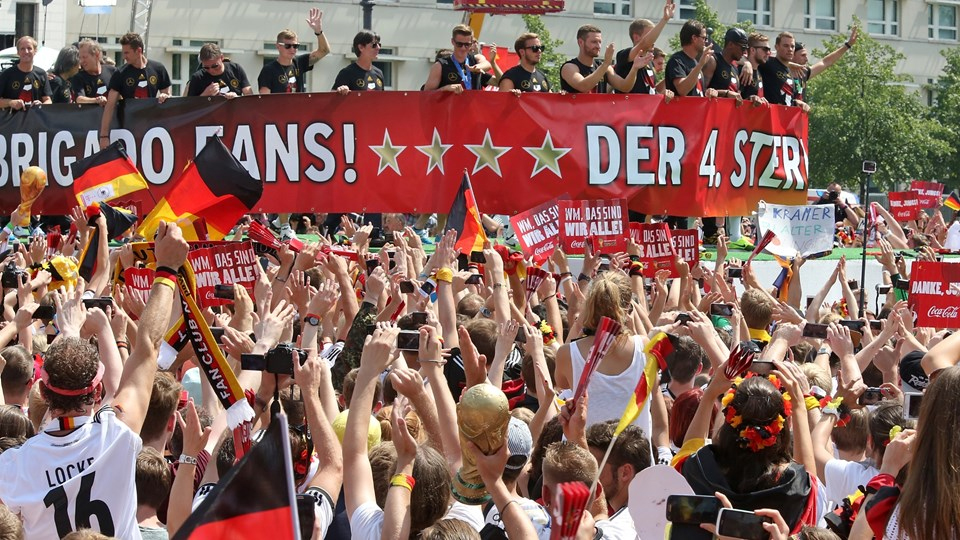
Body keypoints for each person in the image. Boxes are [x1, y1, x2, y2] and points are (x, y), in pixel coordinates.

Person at [0, 221, 188, 539]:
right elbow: (148, 347)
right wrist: (167, 269)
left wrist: (65, 333)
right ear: (98, 390)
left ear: (42, 390)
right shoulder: (119, 434)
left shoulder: (12, 467)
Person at [98, 32, 173, 148]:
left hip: (152, 129)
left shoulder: (158, 68)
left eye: (127, 53)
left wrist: (165, 96)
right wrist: (104, 136)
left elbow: (167, 94)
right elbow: (110, 105)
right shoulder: (120, 73)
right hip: (128, 129)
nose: (124, 57)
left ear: (138, 51)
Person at [257, 8, 329, 94]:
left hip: (299, 107)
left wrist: (318, 32)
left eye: (295, 46)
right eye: (287, 46)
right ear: (278, 46)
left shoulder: (299, 62)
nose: (292, 49)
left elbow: (324, 51)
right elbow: (265, 100)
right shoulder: (268, 70)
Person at [560, 24, 646, 94]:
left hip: (599, 114)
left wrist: (634, 68)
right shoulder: (569, 67)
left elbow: (625, 87)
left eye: (600, 42)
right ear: (581, 42)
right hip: (576, 114)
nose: (598, 46)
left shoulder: (604, 67)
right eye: (594, 42)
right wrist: (605, 64)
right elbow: (583, 86)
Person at [613, 2, 674, 95]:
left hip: (647, 109)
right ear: (636, 37)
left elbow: (650, 91)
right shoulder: (623, 55)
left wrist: (663, 94)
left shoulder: (649, 62)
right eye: (650, 35)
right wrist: (664, 20)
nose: (653, 39)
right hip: (628, 109)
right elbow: (645, 43)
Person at [792, 27, 858, 102]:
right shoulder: (781, 71)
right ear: (792, 55)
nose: (806, 59)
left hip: (798, 113)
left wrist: (848, 45)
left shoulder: (804, 72)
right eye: (802, 55)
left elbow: (826, 62)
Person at [423, 25, 492, 93]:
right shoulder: (440, 65)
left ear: (471, 44)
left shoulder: (476, 59)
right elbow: (426, 96)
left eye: (467, 45)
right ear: (452, 42)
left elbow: (487, 64)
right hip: (449, 104)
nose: (463, 48)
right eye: (459, 44)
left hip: (473, 103)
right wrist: (446, 88)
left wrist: (476, 68)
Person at [757, 31, 810, 111]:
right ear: (776, 47)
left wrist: (796, 102)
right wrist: (747, 64)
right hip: (770, 118)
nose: (790, 49)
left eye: (792, 46)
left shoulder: (793, 71)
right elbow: (746, 56)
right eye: (786, 46)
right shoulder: (768, 63)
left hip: (786, 120)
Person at [665, 20, 716, 98]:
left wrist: (708, 92)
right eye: (704, 38)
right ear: (694, 38)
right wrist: (700, 65)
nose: (706, 42)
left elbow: (696, 92)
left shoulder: (695, 62)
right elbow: (682, 90)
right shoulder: (677, 61)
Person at [0, 36, 53, 110]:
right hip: (12, 120)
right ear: (18, 52)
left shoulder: (41, 74)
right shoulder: (7, 74)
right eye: (22, 49)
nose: (26, 52)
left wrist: (41, 105)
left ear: (35, 51)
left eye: (29, 48)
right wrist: (10, 102)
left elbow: (48, 100)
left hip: (34, 120)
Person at [184, 43, 251, 98]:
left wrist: (237, 98)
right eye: (206, 67)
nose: (211, 70)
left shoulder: (236, 69)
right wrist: (205, 95)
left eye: (215, 66)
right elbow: (189, 107)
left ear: (221, 57)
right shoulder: (198, 77)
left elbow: (249, 96)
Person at [703, 27, 749, 104]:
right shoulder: (713, 60)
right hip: (714, 113)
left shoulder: (734, 68)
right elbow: (702, 91)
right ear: (730, 44)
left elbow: (737, 96)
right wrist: (726, 93)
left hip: (728, 114)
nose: (744, 52)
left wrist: (751, 98)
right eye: (743, 48)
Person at [71, 39, 116, 106]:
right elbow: (79, 99)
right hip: (91, 115)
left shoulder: (112, 71)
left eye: (85, 57)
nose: (81, 61)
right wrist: (96, 100)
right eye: (80, 58)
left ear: (97, 55)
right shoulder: (78, 77)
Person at [741, 32, 770, 103]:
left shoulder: (760, 71)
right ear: (753, 50)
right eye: (765, 49)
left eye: (769, 49)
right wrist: (750, 99)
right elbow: (736, 98)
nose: (768, 52)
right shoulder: (743, 70)